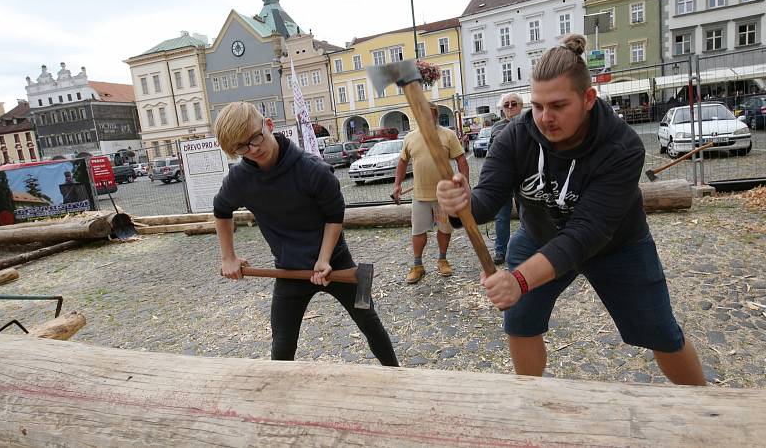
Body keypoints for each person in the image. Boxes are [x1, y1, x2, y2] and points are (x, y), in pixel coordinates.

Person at [436, 34, 705, 385]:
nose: (545, 118)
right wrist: (461, 204)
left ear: (588, 98)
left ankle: (707, 410)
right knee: (519, 323)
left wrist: (518, 279)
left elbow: (584, 235)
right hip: (539, 238)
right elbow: (488, 198)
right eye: (537, 106)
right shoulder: (515, 138)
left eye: (559, 106)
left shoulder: (622, 147)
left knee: (660, 333)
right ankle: (532, 405)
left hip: (617, 247)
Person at [213, 102, 398, 366]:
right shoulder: (240, 180)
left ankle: (398, 377)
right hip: (288, 271)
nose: (253, 149)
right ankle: (280, 397)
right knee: (282, 343)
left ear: (268, 125)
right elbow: (221, 210)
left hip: (338, 265)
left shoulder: (314, 169)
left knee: (370, 323)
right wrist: (228, 257)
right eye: (242, 147)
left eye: (255, 137)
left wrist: (324, 260)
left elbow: (335, 216)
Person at [393, 101, 469, 284]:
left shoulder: (448, 135)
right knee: (418, 231)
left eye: (430, 114)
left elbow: (461, 160)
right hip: (420, 195)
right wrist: (397, 185)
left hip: (444, 196)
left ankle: (442, 259)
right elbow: (402, 162)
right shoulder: (410, 138)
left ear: (435, 115)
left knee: (445, 228)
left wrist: (463, 183)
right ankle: (418, 265)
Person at [489, 93, 523, 266]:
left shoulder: (528, 124)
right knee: (501, 217)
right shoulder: (496, 127)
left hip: (524, 178)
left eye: (513, 104)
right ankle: (501, 250)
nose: (510, 107)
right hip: (502, 178)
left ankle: (530, 246)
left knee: (528, 214)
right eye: (506, 104)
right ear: (502, 108)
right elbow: (490, 154)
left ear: (521, 106)